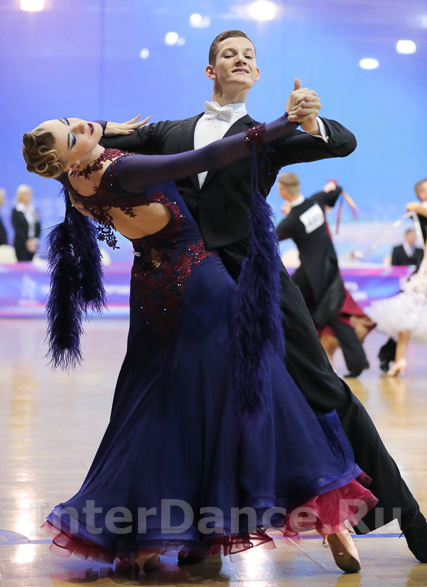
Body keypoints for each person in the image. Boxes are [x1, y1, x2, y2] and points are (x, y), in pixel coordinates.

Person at [96, 30, 427, 561]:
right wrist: (106, 129)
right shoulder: (170, 132)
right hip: (189, 288)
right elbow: (92, 149)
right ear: (211, 71)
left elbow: (341, 143)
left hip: (257, 278)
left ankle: (408, 517)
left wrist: (309, 120)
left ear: (257, 73)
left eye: (249, 55)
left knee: (324, 390)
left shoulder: (268, 134)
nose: (241, 59)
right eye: (230, 54)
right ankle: (196, 531)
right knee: (189, 404)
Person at [22, 102, 377, 574]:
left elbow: (85, 141)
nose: (81, 124)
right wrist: (279, 126)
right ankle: (332, 522)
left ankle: (148, 536)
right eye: (72, 134)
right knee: (269, 391)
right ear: (68, 157)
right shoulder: (124, 169)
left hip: (150, 294)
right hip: (201, 286)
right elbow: (206, 157)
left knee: (156, 408)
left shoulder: (75, 185)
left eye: (69, 119)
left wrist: (101, 129)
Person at [275, 173, 370, 379]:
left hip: (310, 276)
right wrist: (331, 185)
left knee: (286, 307)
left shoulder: (291, 220)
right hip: (330, 267)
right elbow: (336, 191)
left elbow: (270, 238)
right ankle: (357, 362)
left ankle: (289, 361)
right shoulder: (316, 201)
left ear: (282, 191)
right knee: (333, 315)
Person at [378, 180, 427, 372]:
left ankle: (397, 358)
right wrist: (415, 205)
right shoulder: (420, 209)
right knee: (408, 312)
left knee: (410, 311)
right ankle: (397, 358)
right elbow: (412, 206)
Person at [367, 235, 427, 377]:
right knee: (405, 323)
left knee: (406, 322)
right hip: (418, 289)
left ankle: (399, 360)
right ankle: (398, 360)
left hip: (419, 290)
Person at [11, 184, 41, 261]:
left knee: (31, 264)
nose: (28, 196)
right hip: (21, 244)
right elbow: (17, 228)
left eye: (29, 194)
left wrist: (35, 241)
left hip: (33, 244)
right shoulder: (16, 210)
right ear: (20, 195)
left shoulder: (33, 210)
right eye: (25, 194)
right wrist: (27, 241)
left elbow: (38, 226)